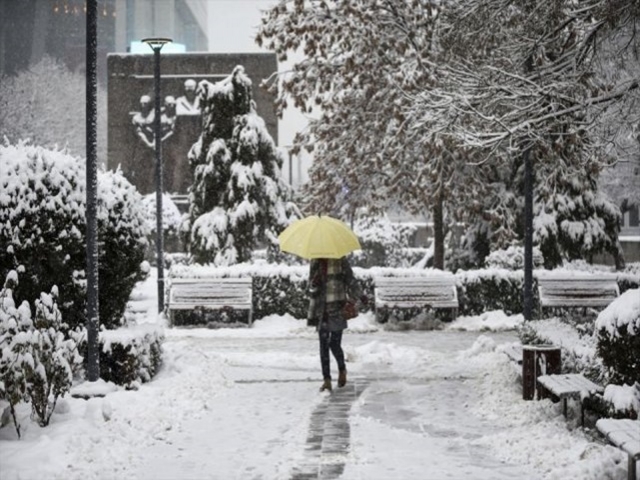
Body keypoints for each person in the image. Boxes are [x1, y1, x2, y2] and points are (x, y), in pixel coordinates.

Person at [307, 256, 365, 392]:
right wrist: (314, 284)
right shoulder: (315, 261)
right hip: (321, 309)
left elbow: (350, 280)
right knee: (323, 345)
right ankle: (326, 380)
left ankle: (342, 369)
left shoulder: (340, 259)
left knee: (334, 343)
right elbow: (309, 286)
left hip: (337, 308)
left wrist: (360, 295)